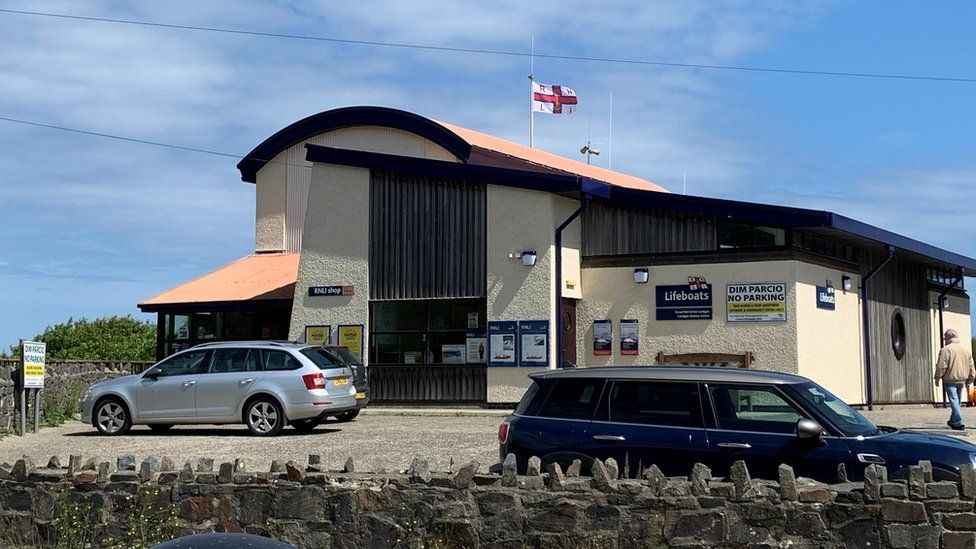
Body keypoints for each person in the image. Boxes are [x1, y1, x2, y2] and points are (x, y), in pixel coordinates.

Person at [934, 329, 976, 430]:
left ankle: (959, 422)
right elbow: (972, 367)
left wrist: (937, 378)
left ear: (948, 338)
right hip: (962, 380)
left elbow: (941, 366)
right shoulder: (966, 350)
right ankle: (953, 421)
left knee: (953, 401)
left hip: (950, 380)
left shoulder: (946, 350)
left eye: (945, 338)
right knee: (956, 402)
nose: (944, 340)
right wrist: (970, 379)